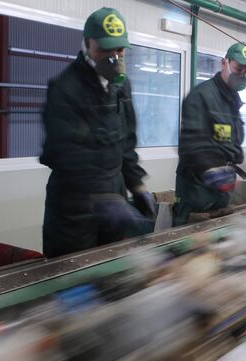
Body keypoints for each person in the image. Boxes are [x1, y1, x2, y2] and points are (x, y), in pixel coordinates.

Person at [40, 8, 156, 258]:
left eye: (120, 50)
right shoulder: (65, 88)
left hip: (113, 197)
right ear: (87, 44)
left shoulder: (122, 86)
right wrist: (98, 197)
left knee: (109, 273)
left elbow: (126, 141)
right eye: (105, 50)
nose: (114, 58)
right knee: (73, 278)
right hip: (75, 207)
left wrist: (136, 185)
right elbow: (61, 153)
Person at [172, 43, 246, 226]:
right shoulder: (201, 96)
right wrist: (211, 169)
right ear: (224, 63)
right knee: (191, 241)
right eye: (238, 68)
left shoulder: (233, 100)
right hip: (197, 189)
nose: (243, 74)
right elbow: (189, 143)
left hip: (222, 189)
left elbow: (229, 140)